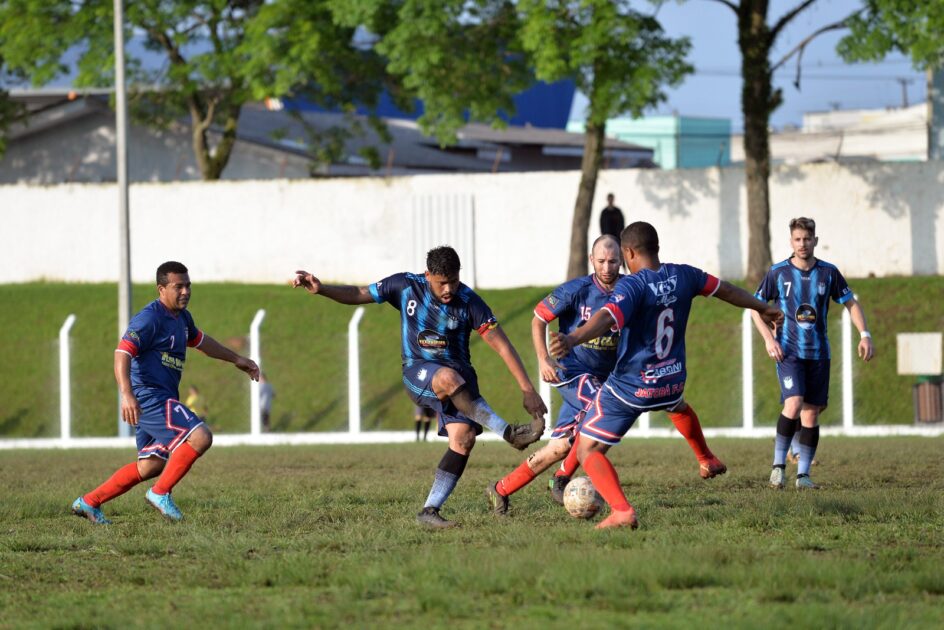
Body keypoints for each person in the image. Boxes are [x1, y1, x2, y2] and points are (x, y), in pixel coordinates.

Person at [549, 222, 783, 529]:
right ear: (656, 248)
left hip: (633, 386)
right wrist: (763, 308)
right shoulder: (685, 275)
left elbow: (606, 317)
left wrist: (572, 338)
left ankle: (621, 510)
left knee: (587, 448)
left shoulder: (632, 285)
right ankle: (706, 458)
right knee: (678, 405)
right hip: (671, 382)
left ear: (628, 252)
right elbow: (725, 290)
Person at [293, 246, 547, 528]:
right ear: (427, 276)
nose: (449, 288)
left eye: (454, 280)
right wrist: (321, 289)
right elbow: (359, 293)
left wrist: (528, 390)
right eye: (442, 282)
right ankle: (508, 432)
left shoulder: (470, 302)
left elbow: (502, 345)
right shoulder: (405, 286)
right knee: (448, 378)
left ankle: (429, 510)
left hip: (459, 378)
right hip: (419, 371)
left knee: (463, 440)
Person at [487, 233, 732, 516]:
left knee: (562, 446)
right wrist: (543, 359)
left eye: (613, 261)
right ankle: (562, 478)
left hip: (609, 378)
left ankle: (501, 488)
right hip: (573, 371)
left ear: (623, 260)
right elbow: (539, 318)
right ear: (591, 260)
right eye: (601, 261)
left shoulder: (634, 289)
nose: (607, 267)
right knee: (595, 413)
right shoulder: (575, 290)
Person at [71, 261, 260, 524]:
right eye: (178, 286)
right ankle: (160, 493)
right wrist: (126, 394)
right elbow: (122, 353)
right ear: (161, 289)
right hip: (149, 398)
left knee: (151, 465)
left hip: (162, 397)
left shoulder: (183, 318)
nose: (185, 291)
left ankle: (89, 502)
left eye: (188, 285)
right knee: (201, 436)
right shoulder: (149, 318)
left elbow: (202, 342)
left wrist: (236, 358)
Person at [752, 217, 873, 490]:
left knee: (811, 414)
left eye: (807, 239)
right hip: (789, 353)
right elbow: (754, 308)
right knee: (793, 404)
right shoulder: (778, 272)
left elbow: (851, 304)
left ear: (815, 240)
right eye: (797, 239)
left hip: (819, 353)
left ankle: (803, 476)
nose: (802, 244)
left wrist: (865, 335)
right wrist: (769, 340)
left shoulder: (828, 273)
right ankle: (778, 468)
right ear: (791, 242)